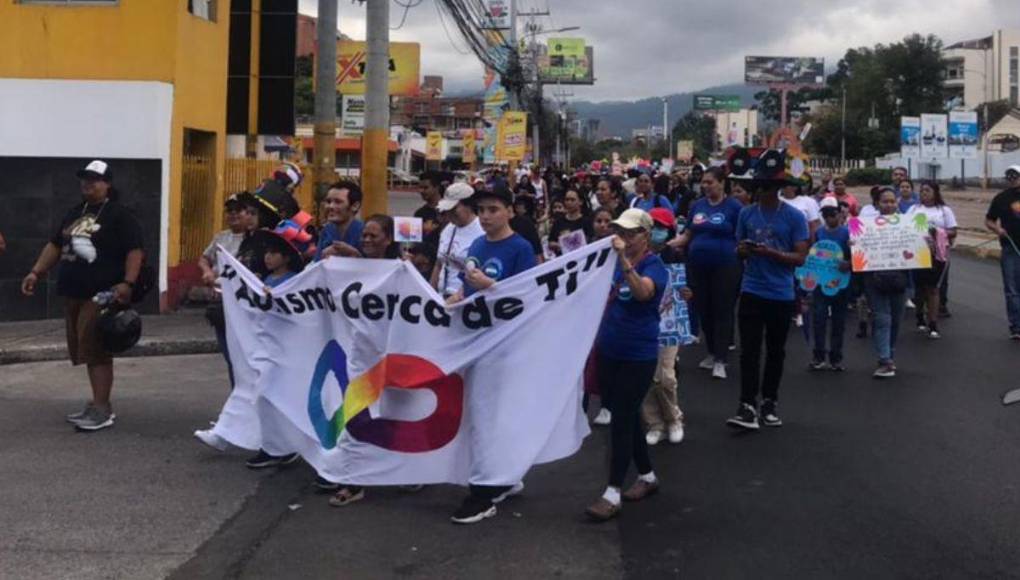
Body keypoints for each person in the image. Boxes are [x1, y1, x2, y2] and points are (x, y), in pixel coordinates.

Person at [21, 160, 144, 432]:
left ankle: (103, 408)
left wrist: (127, 283)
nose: (88, 183)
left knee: (97, 349)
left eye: (95, 179)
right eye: (85, 179)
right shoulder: (75, 212)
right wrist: (35, 272)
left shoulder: (119, 215)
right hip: (73, 292)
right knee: (84, 348)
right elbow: (55, 245)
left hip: (101, 293)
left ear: (108, 184)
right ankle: (96, 402)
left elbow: (135, 250)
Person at [448, 186, 536, 525]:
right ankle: (505, 476)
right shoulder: (477, 244)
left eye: (493, 209)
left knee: (489, 414)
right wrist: (455, 298)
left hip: (502, 344)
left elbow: (527, 297)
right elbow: (465, 285)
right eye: (482, 210)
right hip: (474, 338)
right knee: (480, 412)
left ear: (510, 211)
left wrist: (491, 287)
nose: (486, 216)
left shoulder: (520, 248)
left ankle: (484, 493)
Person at [585, 209, 669, 522]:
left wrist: (623, 260)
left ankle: (612, 492)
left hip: (638, 354)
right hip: (609, 350)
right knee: (628, 414)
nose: (624, 237)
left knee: (621, 418)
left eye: (631, 232)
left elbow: (643, 292)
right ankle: (647, 476)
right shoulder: (608, 260)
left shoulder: (654, 265)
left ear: (645, 236)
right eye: (621, 230)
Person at [726, 151, 809, 431]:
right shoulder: (747, 214)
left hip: (781, 293)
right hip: (751, 289)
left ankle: (769, 402)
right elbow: (738, 249)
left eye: (765, 186)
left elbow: (800, 258)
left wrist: (770, 252)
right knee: (749, 351)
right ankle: (746, 404)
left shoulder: (795, 217)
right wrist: (743, 250)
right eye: (756, 186)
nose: (759, 191)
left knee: (776, 351)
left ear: (776, 188)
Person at [672, 166, 742, 379]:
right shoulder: (698, 206)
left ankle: (721, 359)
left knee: (722, 309)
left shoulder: (734, 207)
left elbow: (741, 236)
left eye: (710, 182)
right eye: (703, 182)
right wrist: (670, 244)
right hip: (698, 265)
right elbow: (688, 233)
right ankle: (711, 352)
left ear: (722, 183)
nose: (705, 186)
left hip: (726, 265)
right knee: (704, 309)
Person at [199, 193, 256, 389]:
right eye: (229, 211)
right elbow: (204, 258)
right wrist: (207, 271)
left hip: (243, 305)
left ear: (249, 213)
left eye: (237, 210)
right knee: (230, 356)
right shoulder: (221, 237)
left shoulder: (254, 239)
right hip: (220, 303)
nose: (233, 215)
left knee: (244, 357)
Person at [642, 208, 688, 446]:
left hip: (669, 322)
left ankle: (673, 419)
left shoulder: (675, 255)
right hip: (644, 322)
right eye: (653, 227)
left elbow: (683, 289)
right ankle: (654, 423)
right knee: (648, 375)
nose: (657, 232)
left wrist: (687, 294)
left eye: (662, 227)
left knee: (665, 375)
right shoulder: (640, 256)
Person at [863, 189, 910, 378]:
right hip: (874, 278)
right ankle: (884, 359)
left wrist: (926, 244)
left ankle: (889, 354)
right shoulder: (866, 226)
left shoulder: (908, 225)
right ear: (877, 204)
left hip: (899, 278)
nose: (889, 205)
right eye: (885, 202)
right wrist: (855, 245)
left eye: (892, 201)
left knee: (896, 319)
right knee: (882, 318)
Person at [911, 181, 957, 339]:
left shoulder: (944, 211)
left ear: (935, 192)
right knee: (919, 288)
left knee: (933, 288)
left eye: (927, 190)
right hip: (917, 254)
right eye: (921, 190)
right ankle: (919, 316)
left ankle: (933, 323)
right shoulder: (914, 209)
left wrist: (937, 232)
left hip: (938, 255)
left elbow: (953, 231)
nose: (924, 193)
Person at [810, 197, 852, 371]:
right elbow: (813, 255)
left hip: (841, 282)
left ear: (839, 214)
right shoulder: (819, 232)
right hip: (821, 282)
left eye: (832, 214)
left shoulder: (847, 233)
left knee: (838, 321)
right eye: (826, 215)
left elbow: (854, 256)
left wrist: (848, 263)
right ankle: (819, 355)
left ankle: (836, 357)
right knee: (819, 319)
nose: (829, 218)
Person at [431, 183, 484, 299]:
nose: (449, 214)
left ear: (469, 205)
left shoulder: (482, 231)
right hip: (442, 296)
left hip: (465, 299)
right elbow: (439, 264)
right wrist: (431, 293)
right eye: (447, 210)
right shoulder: (448, 229)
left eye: (454, 209)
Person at [985, 165, 1020, 339]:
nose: (1013, 179)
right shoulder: (1001, 198)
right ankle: (1016, 326)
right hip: (1010, 247)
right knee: (1012, 289)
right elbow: (989, 220)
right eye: (1010, 176)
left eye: (1016, 175)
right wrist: (997, 230)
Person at [316, 181, 364, 260]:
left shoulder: (365, 232)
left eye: (338, 202)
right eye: (328, 201)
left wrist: (355, 255)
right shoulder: (327, 230)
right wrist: (323, 257)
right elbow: (316, 262)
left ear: (355, 206)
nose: (330, 206)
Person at [548, 189, 593, 255]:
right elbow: (550, 242)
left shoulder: (587, 221)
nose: (569, 202)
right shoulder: (558, 222)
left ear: (580, 202)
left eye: (572, 200)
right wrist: (558, 245)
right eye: (567, 200)